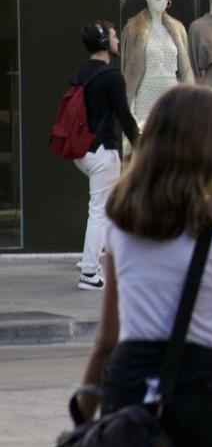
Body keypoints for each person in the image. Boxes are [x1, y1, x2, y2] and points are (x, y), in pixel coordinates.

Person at [75, 85, 212, 447]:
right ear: (208, 147)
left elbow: (106, 342)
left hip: (128, 396)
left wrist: (82, 431)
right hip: (198, 398)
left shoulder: (122, 222)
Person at [70, 23, 141, 290]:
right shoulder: (111, 76)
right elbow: (124, 117)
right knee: (100, 211)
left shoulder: (80, 72)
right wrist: (142, 145)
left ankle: (103, 261)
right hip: (102, 151)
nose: (118, 42)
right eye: (113, 37)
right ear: (104, 43)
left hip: (83, 152)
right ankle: (89, 271)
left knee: (107, 209)